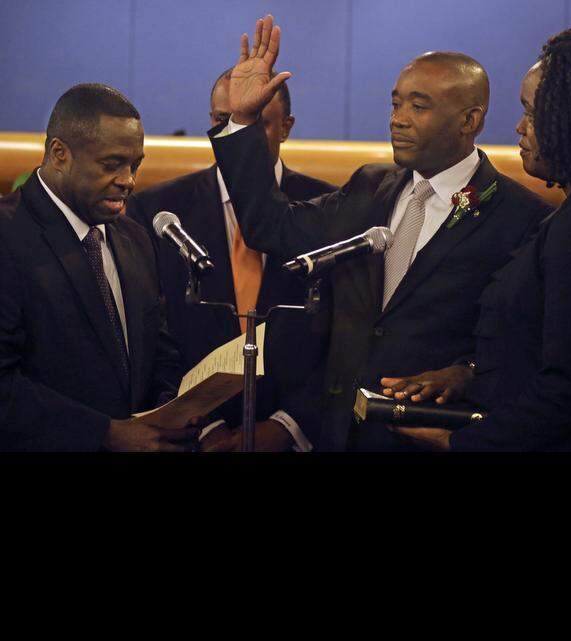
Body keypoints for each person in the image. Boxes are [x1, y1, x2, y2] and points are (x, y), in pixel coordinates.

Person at [208, 15, 552, 450]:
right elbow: (270, 227)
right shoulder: (369, 187)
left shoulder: (521, 217)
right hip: (337, 436)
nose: (399, 120)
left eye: (418, 107)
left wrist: (466, 369)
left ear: (470, 119)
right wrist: (241, 120)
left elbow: (526, 346)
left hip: (427, 439)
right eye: (396, 104)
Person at [384, 27, 571, 451]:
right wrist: (467, 372)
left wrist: (458, 443)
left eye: (534, 114)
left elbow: (564, 390)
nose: (520, 127)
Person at [127, 68, 337, 452]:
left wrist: (288, 426)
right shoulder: (156, 210)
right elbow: (152, 335)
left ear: (286, 127)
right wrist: (204, 428)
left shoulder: (329, 208)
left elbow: (341, 336)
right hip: (192, 438)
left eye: (253, 122)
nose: (234, 134)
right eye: (221, 121)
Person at [0, 83, 199, 451]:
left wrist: (167, 410)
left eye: (135, 164)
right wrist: (106, 435)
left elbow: (160, 349)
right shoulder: (8, 236)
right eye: (112, 165)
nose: (128, 180)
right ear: (60, 154)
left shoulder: (136, 238)